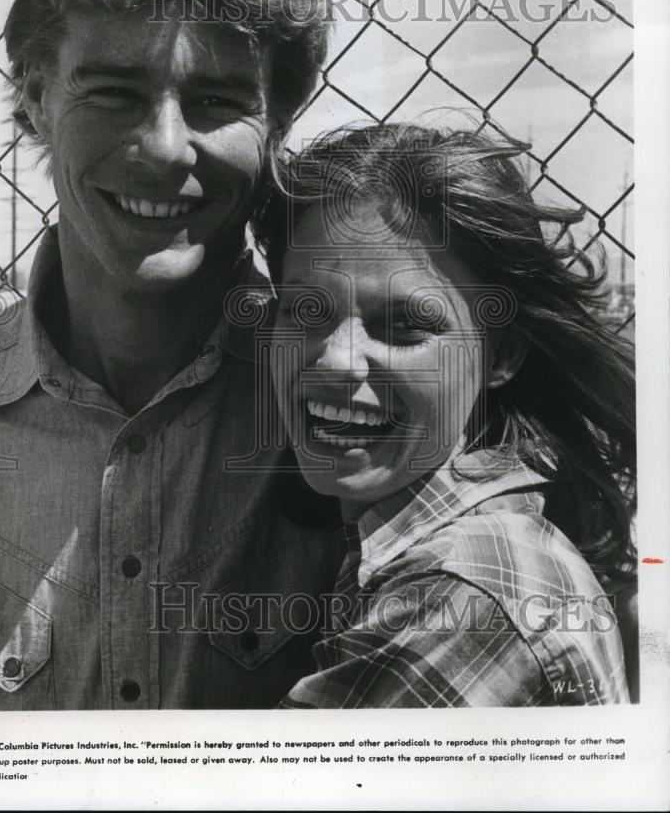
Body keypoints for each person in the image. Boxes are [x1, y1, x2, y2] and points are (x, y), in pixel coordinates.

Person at [0, 0, 345, 711]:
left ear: (278, 121)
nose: (166, 147)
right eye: (112, 91)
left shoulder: (347, 407)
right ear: (32, 98)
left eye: (216, 99)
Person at [253, 121, 636, 707]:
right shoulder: (444, 547)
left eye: (404, 325)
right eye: (304, 310)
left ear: (500, 355)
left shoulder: (460, 598)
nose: (335, 359)